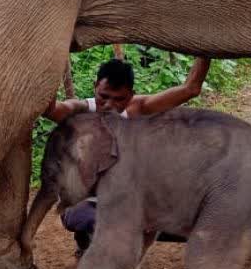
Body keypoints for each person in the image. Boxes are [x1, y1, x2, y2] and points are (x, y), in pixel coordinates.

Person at [43, 55, 211, 256]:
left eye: (119, 99)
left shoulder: (138, 109)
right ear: (95, 86)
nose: (109, 105)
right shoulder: (79, 111)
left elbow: (190, 89)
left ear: (131, 95)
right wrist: (50, 56)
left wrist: (205, 49)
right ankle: (88, 239)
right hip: (86, 202)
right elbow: (50, 108)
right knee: (83, 216)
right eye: (103, 96)